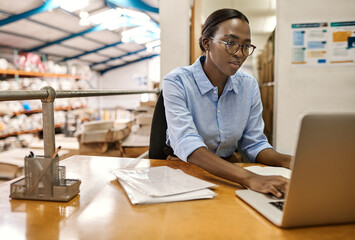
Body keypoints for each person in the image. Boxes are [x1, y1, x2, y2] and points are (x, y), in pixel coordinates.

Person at [162, 8, 291, 198]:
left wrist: (289, 161)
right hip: (186, 172)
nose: (239, 53)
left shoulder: (248, 86)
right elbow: (187, 142)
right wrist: (250, 177)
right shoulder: (177, 81)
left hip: (229, 173)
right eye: (230, 43)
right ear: (207, 43)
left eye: (246, 46)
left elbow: (255, 143)